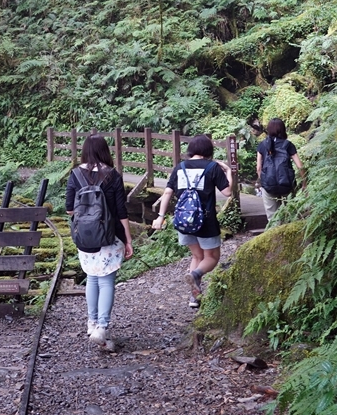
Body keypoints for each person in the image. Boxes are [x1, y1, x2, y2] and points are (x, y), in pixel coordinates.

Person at [65, 133, 134, 351]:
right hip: (109, 236)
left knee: (92, 278)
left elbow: (69, 208)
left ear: (85, 150)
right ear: (105, 151)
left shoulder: (75, 174)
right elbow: (121, 211)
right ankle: (102, 327)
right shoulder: (112, 175)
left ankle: (92, 323)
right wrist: (128, 239)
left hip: (85, 238)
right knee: (106, 281)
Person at [151, 135, 232, 308]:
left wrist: (160, 216)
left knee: (197, 255)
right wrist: (229, 172)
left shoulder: (180, 167)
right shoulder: (212, 167)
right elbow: (228, 192)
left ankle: (194, 297)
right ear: (208, 151)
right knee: (212, 257)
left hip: (184, 220)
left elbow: (167, 193)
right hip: (206, 220)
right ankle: (195, 275)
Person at [257, 117, 304, 220]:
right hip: (287, 184)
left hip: (268, 185)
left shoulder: (262, 145)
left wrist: (263, 182)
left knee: (272, 218)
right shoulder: (288, 145)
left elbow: (259, 167)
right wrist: (304, 184)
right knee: (291, 215)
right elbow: (300, 166)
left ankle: (274, 233)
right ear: (283, 129)